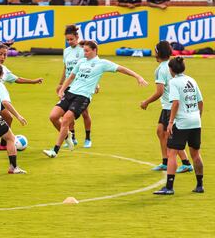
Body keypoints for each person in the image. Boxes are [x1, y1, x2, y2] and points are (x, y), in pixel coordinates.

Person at [43, 40, 148, 158]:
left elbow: (122, 69)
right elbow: (71, 76)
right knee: (53, 116)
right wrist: (62, 89)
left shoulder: (102, 63)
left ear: (94, 50)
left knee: (66, 120)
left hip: (83, 97)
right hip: (70, 93)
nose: (85, 53)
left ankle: (55, 151)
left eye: (87, 51)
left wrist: (137, 76)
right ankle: (67, 136)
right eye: (84, 51)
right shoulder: (81, 62)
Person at [140, 41, 193, 173]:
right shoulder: (172, 65)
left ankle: (186, 163)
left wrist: (146, 102)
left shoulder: (160, 69)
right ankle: (165, 161)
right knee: (160, 131)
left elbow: (160, 91)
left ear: (157, 53)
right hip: (171, 106)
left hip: (170, 106)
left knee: (171, 136)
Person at [154, 57, 204, 195]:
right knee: (196, 154)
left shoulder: (174, 82)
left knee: (172, 153)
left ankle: (169, 187)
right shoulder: (191, 80)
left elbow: (175, 103)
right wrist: (198, 117)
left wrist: (170, 123)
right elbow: (200, 101)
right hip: (195, 121)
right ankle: (200, 185)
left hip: (181, 122)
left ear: (171, 70)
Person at [58, 25, 94, 148]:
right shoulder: (66, 51)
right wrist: (60, 83)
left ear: (77, 37)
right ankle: (72, 137)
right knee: (68, 114)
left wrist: (95, 83)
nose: (69, 42)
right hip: (69, 86)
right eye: (67, 40)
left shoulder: (83, 50)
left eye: (71, 39)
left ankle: (88, 138)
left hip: (81, 86)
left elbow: (90, 66)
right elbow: (65, 68)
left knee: (85, 113)